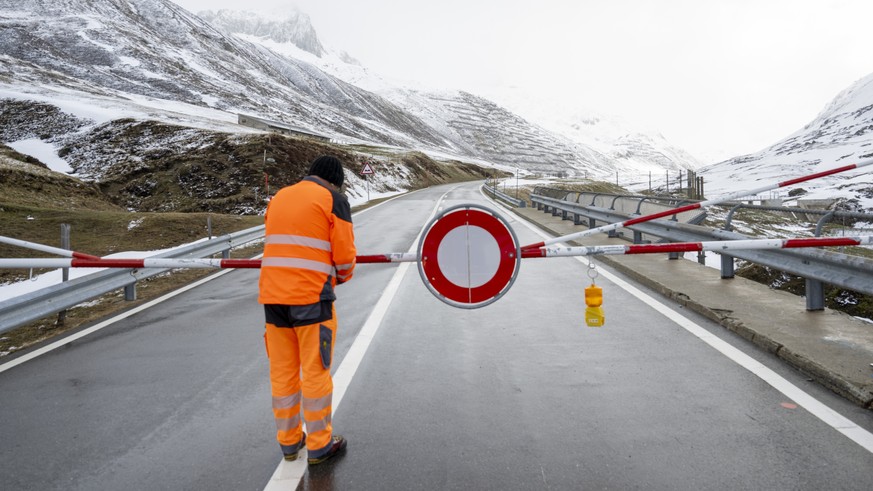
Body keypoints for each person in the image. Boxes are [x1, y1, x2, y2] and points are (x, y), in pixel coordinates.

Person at [258, 155, 356, 465]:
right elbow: (345, 259)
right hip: (312, 300)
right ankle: (319, 444)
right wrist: (338, 276)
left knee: (283, 373)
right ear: (334, 181)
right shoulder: (333, 200)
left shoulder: (279, 197)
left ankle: (289, 442)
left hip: (273, 299)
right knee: (315, 373)